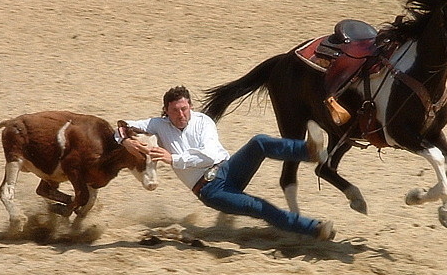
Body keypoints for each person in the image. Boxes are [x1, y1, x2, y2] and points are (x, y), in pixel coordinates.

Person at [121, 86, 336, 242]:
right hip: (210, 190)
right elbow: (122, 126)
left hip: (228, 168)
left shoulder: (202, 121)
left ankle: (309, 151)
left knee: (259, 142)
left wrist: (173, 159)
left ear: (191, 106)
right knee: (258, 206)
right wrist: (126, 140)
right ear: (166, 111)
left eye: (184, 109)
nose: (181, 114)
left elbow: (209, 154)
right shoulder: (158, 124)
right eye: (175, 110)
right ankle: (315, 229)